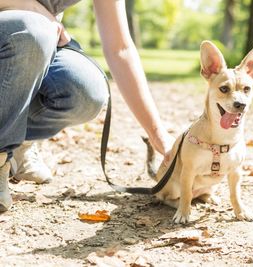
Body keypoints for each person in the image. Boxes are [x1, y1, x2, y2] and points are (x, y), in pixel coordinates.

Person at [0, 0, 175, 211]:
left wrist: (160, 138)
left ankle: (16, 140)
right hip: (26, 32)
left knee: (84, 90)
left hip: (39, 37)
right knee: (33, 30)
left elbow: (120, 48)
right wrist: (29, 7)